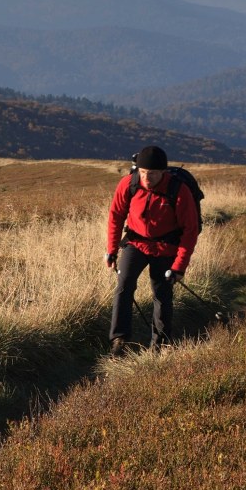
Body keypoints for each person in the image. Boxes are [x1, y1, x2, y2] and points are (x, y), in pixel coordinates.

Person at [105, 145, 200, 355]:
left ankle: (161, 345)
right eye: (144, 172)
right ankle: (119, 340)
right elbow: (116, 216)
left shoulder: (178, 190)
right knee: (124, 286)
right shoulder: (128, 184)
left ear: (163, 172)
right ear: (138, 170)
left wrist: (179, 267)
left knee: (162, 294)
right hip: (135, 244)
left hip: (166, 247)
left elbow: (190, 231)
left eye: (153, 173)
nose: (147, 178)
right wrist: (111, 250)